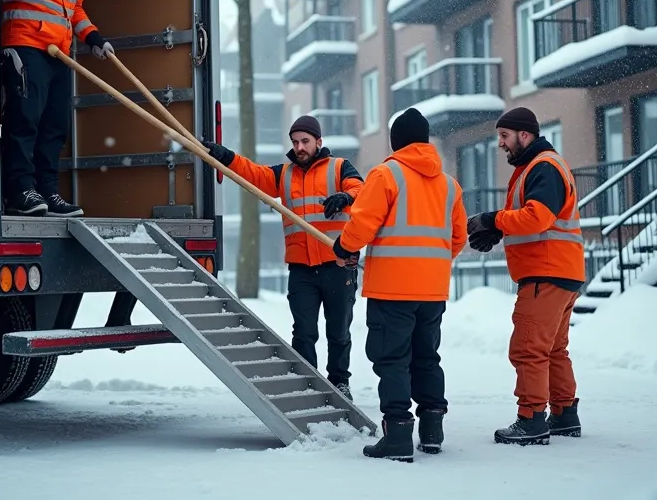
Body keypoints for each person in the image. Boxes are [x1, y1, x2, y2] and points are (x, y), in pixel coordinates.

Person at [332, 108, 468, 462]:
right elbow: (458, 238)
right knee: (426, 357)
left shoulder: (386, 174)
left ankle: (397, 435)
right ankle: (432, 430)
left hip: (392, 289)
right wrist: (431, 263)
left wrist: (344, 247)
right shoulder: (449, 184)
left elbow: (363, 222)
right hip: (433, 290)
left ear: (396, 141)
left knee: (392, 360)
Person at [201, 115, 363, 399]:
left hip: (337, 265)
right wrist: (226, 157)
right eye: (295, 142)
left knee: (338, 332)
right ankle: (307, 382)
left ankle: (340, 383)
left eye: (305, 141)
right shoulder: (284, 174)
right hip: (301, 269)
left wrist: (345, 197)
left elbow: (361, 190)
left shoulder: (339, 167)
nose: (300, 147)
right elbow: (252, 174)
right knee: (303, 331)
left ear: (319, 142)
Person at [466, 106, 585, 446]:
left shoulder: (542, 166)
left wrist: (494, 220)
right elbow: (534, 217)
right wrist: (500, 230)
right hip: (561, 270)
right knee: (553, 349)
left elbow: (537, 217)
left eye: (504, 136)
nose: (500, 143)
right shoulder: (538, 166)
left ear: (525, 134)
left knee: (528, 349)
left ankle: (532, 420)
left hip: (545, 273)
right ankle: (564, 415)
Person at [0, 0, 115, 217]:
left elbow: (74, 9)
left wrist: (93, 37)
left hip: (58, 54)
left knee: (55, 125)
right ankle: (20, 190)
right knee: (25, 120)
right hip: (24, 46)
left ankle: (47, 192)